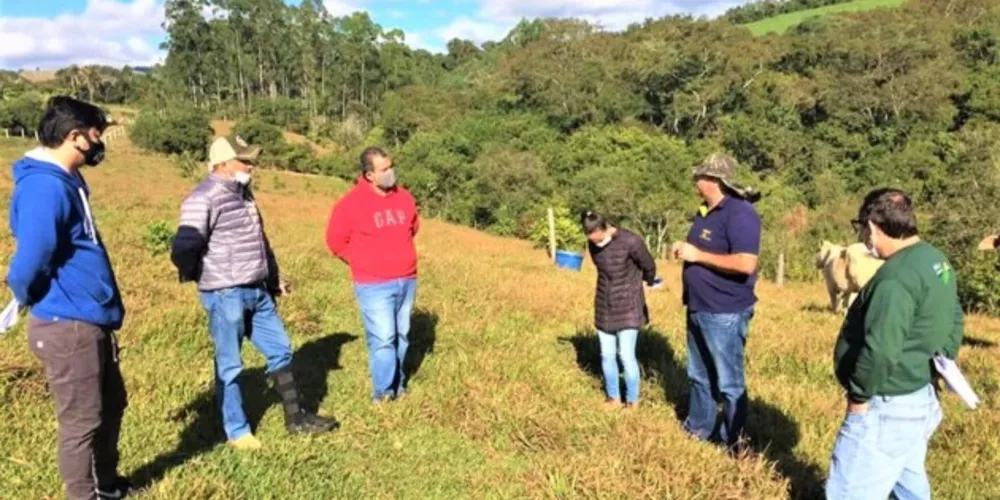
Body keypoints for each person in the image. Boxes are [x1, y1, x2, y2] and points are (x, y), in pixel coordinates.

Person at [170, 135, 337, 451]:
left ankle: (296, 417)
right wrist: (204, 277)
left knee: (281, 350)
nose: (251, 166)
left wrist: (274, 280)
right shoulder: (202, 198)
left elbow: (261, 243)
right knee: (230, 365)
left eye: (252, 161)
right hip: (226, 294)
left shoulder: (245, 196)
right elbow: (184, 247)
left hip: (257, 291)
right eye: (244, 161)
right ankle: (237, 431)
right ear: (222, 163)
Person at [6, 96, 130, 499]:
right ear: (73, 137)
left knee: (111, 406)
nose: (98, 147)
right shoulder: (45, 186)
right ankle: (83, 495)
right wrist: (21, 295)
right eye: (94, 138)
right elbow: (33, 254)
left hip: (89, 317)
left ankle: (107, 485)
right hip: (67, 322)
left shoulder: (66, 180)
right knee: (81, 420)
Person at [826, 188, 963, 500]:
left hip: (887, 405)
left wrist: (859, 397)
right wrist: (943, 360)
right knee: (908, 485)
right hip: (918, 396)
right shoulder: (935, 260)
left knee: (849, 492)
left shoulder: (895, 279)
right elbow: (954, 313)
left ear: (873, 226)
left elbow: (881, 348)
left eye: (860, 227)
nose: (861, 235)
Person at [671, 153, 761, 451]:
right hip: (698, 305)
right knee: (698, 375)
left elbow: (746, 263)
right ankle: (698, 428)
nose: (694, 180)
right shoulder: (705, 211)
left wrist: (698, 256)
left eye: (699, 176)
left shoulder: (740, 213)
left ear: (712, 181)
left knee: (728, 383)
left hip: (724, 311)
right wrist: (686, 250)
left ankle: (733, 441)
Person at [325, 147, 420, 403]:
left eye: (391, 166)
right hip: (373, 284)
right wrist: (363, 261)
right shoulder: (350, 204)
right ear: (369, 175)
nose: (391, 173)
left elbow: (413, 228)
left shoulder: (405, 198)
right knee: (383, 338)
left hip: (407, 279)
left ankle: (399, 386)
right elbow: (335, 242)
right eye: (384, 169)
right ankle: (383, 394)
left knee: (402, 335)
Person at [581, 211, 659, 409]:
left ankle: (632, 401)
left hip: (629, 306)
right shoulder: (592, 244)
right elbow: (603, 270)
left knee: (626, 355)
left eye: (595, 236)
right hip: (604, 305)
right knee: (607, 355)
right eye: (589, 237)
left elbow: (649, 265)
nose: (593, 241)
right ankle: (613, 398)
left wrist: (647, 282)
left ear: (603, 228)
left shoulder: (631, 241)